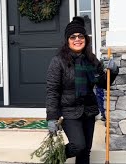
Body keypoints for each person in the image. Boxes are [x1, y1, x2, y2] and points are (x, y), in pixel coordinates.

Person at [46, 16, 119, 164]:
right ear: (67, 40)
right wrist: (51, 117)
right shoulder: (58, 61)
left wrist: (113, 71)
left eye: (80, 36)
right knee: (78, 146)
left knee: (85, 151)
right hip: (69, 111)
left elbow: (103, 84)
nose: (77, 39)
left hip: (89, 110)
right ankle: (54, 158)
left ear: (85, 38)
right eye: (73, 37)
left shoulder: (91, 60)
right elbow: (52, 90)